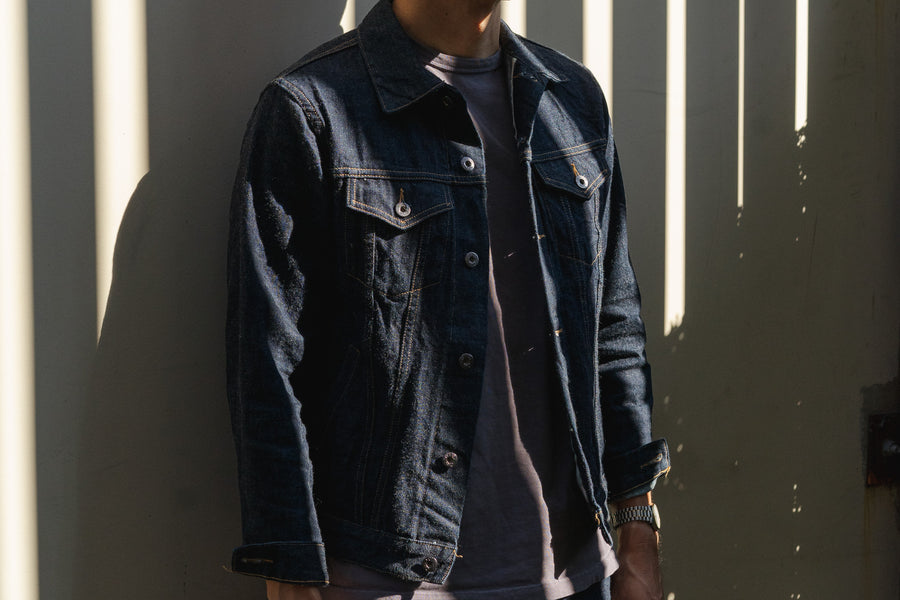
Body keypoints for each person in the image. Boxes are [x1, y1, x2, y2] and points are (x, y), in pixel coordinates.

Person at [226, 1, 670, 599]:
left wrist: (635, 527)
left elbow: (612, 325)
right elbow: (266, 364)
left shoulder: (572, 99)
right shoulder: (313, 110)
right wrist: (290, 569)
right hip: (388, 576)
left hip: (574, 576)